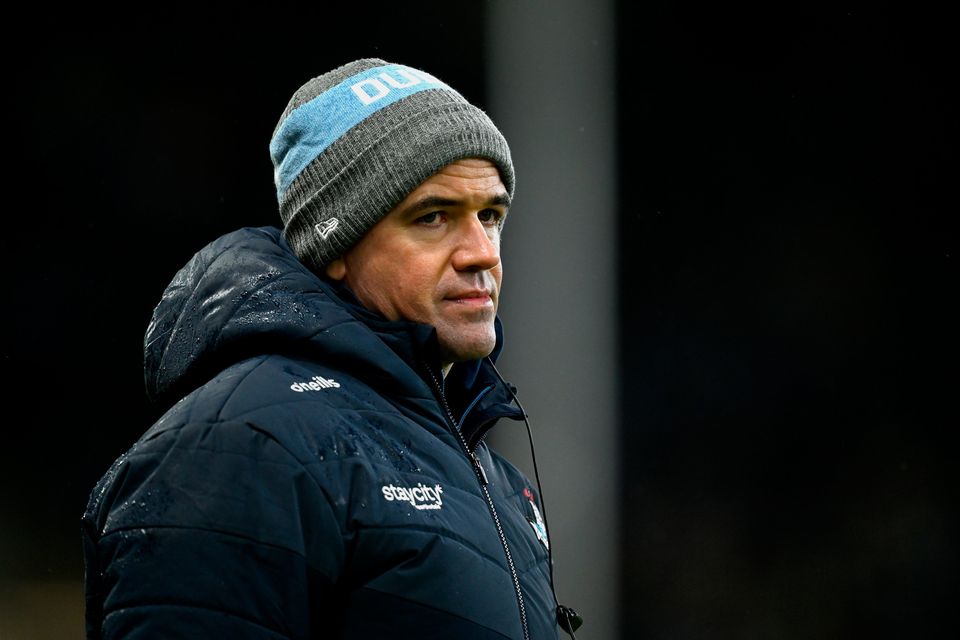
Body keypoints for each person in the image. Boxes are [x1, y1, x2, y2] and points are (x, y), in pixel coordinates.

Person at [81, 58, 581, 639]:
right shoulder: (242, 445)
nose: (482, 253)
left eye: (489, 215)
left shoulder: (492, 477)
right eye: (433, 217)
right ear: (336, 245)